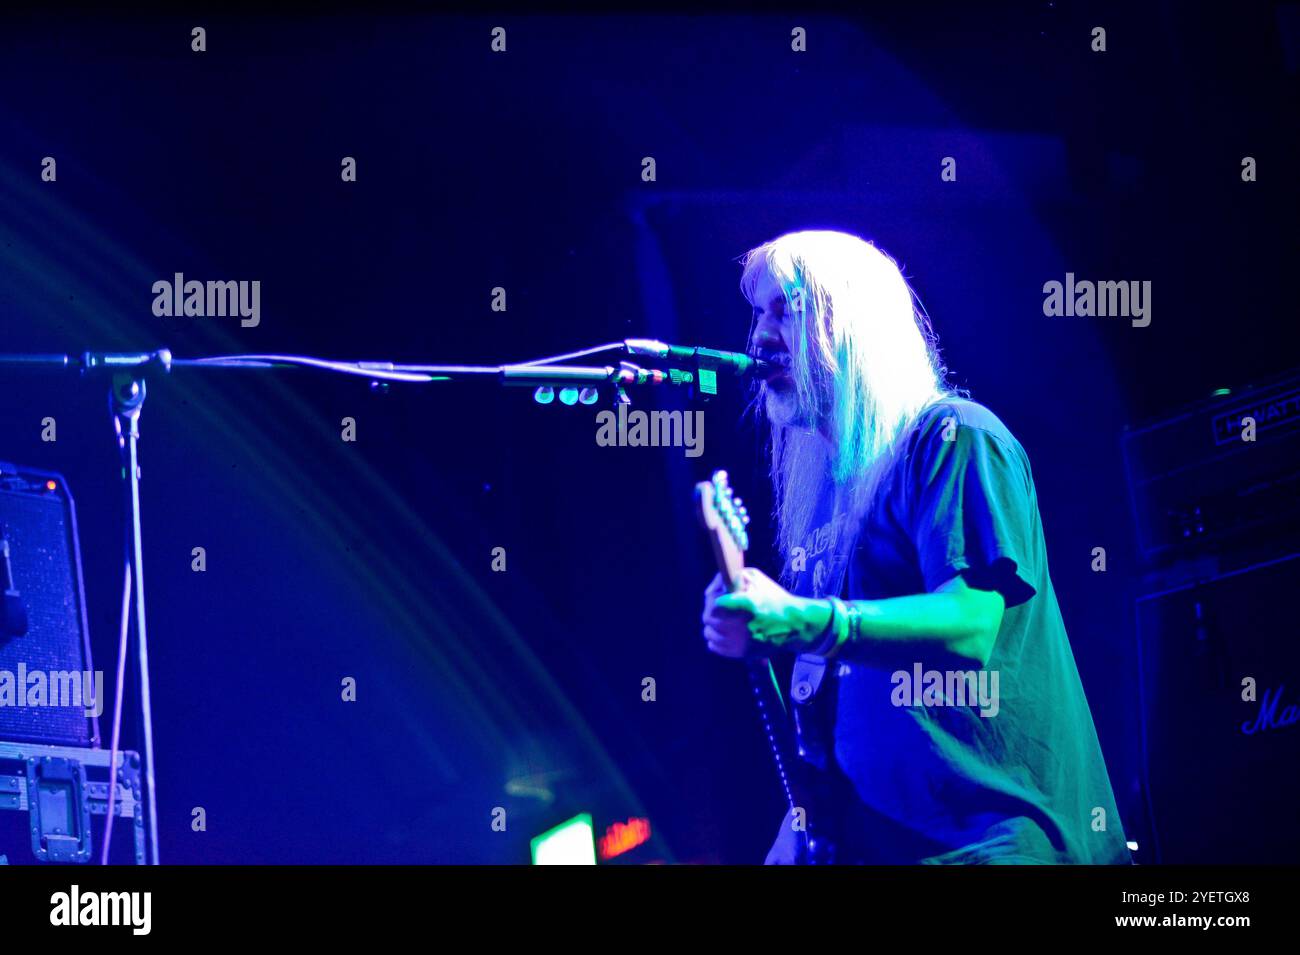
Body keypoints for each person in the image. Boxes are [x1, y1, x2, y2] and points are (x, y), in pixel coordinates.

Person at [701, 230, 1130, 864]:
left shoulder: (954, 439)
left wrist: (802, 620)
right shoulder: (824, 509)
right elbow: (834, 728)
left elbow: (968, 624)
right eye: (758, 313)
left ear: (852, 328)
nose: (760, 336)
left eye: (786, 309)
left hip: (997, 847)